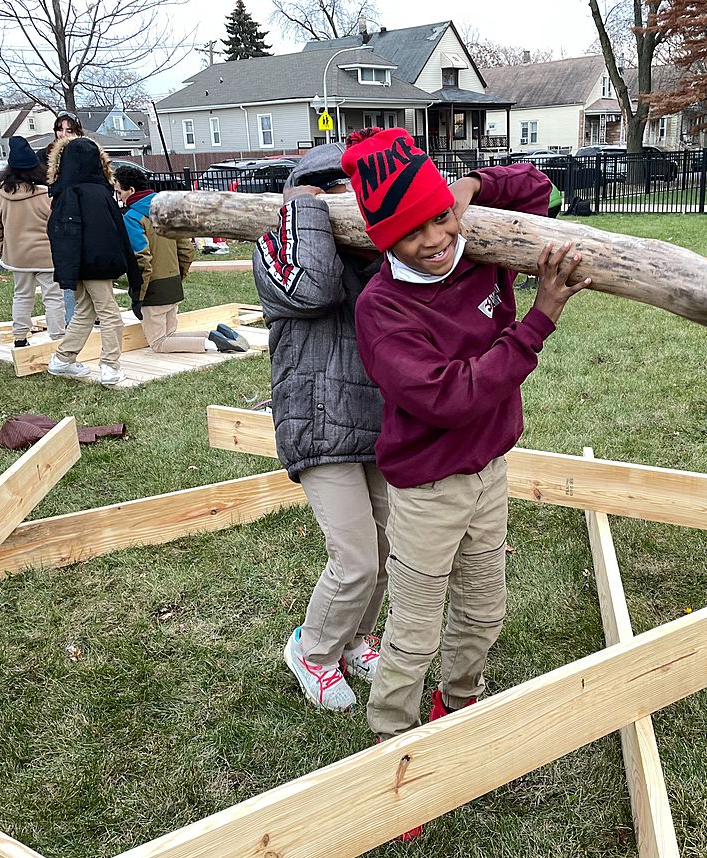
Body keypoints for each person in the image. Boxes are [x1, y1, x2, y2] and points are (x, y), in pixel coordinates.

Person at [342, 128, 590, 765]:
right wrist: (539, 320)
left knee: (484, 609)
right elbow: (451, 398)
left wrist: (472, 188)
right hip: (428, 487)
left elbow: (539, 187)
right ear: (382, 239)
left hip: (490, 471)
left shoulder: (479, 248)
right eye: (409, 231)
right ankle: (393, 745)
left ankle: (458, 702)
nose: (432, 241)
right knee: (415, 631)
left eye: (439, 218)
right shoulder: (383, 307)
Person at [251, 143, 387, 712]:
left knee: (387, 547)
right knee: (354, 555)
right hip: (320, 418)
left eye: (351, 189)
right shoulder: (277, 247)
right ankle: (312, 650)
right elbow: (312, 291)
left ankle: (355, 637)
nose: (343, 200)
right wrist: (307, 210)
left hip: (378, 421)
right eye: (328, 188)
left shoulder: (380, 256)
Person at [113, 165, 247, 355]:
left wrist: (137, 296)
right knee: (170, 334)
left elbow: (141, 259)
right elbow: (185, 249)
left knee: (159, 343)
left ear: (131, 191)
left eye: (119, 192)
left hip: (152, 289)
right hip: (173, 283)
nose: (118, 197)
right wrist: (178, 276)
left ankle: (215, 344)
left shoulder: (132, 218)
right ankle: (215, 335)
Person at [45, 136, 141, 385]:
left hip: (77, 266)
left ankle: (62, 359)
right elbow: (110, 233)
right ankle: (110, 366)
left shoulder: (64, 194)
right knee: (111, 315)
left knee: (85, 312)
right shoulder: (97, 192)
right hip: (96, 265)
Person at [0, 136, 66, 347]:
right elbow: (58, 225)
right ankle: (59, 338)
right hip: (46, 254)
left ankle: (20, 338)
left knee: (21, 295)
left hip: (16, 255)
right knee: (53, 297)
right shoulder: (47, 194)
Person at [39, 113, 86, 322]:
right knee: (67, 273)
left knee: (90, 270)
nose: (63, 134)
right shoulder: (47, 156)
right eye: (60, 129)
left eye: (69, 130)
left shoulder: (87, 151)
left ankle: (89, 314)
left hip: (84, 215)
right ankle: (71, 321)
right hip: (61, 219)